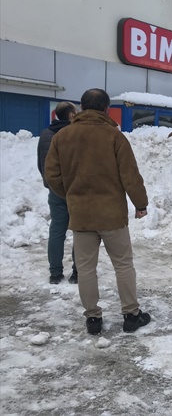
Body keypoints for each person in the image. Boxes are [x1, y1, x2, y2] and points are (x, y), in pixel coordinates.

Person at [44, 88, 151, 335]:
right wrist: (140, 204)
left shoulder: (62, 137)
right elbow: (130, 176)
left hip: (81, 216)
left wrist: (71, 195)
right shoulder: (114, 137)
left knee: (86, 268)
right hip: (112, 215)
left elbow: (52, 175)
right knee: (123, 265)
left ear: (81, 108)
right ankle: (131, 315)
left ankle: (93, 319)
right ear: (105, 110)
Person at [37, 102, 78, 285]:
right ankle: (77, 272)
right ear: (70, 115)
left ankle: (55, 274)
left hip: (55, 190)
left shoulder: (46, 134)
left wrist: (50, 184)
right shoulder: (76, 134)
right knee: (81, 230)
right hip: (76, 190)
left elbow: (42, 163)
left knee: (56, 231)